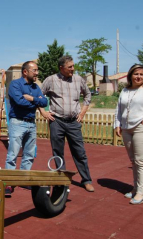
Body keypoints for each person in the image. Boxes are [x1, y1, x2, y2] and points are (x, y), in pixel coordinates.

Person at [39, 55, 95, 192]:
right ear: (61, 68)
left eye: (73, 66)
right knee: (58, 151)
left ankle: (86, 180)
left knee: (79, 152)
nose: (73, 69)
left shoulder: (78, 80)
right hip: (56, 121)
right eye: (70, 67)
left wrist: (82, 113)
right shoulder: (51, 80)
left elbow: (88, 95)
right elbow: (38, 96)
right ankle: (61, 180)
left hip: (73, 122)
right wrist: (43, 112)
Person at [114, 64, 143, 205]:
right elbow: (119, 109)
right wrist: (117, 124)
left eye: (141, 74)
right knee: (133, 160)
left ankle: (141, 193)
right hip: (127, 128)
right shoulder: (125, 91)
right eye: (136, 74)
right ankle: (135, 189)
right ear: (130, 76)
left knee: (141, 161)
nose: (139, 77)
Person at [5, 61, 48, 195]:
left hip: (31, 123)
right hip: (17, 123)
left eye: (37, 70)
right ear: (25, 72)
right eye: (34, 70)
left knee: (29, 155)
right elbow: (19, 102)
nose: (37, 73)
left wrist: (31, 99)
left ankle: (23, 180)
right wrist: (36, 102)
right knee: (13, 154)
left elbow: (45, 102)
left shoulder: (36, 87)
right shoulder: (15, 85)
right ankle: (9, 183)